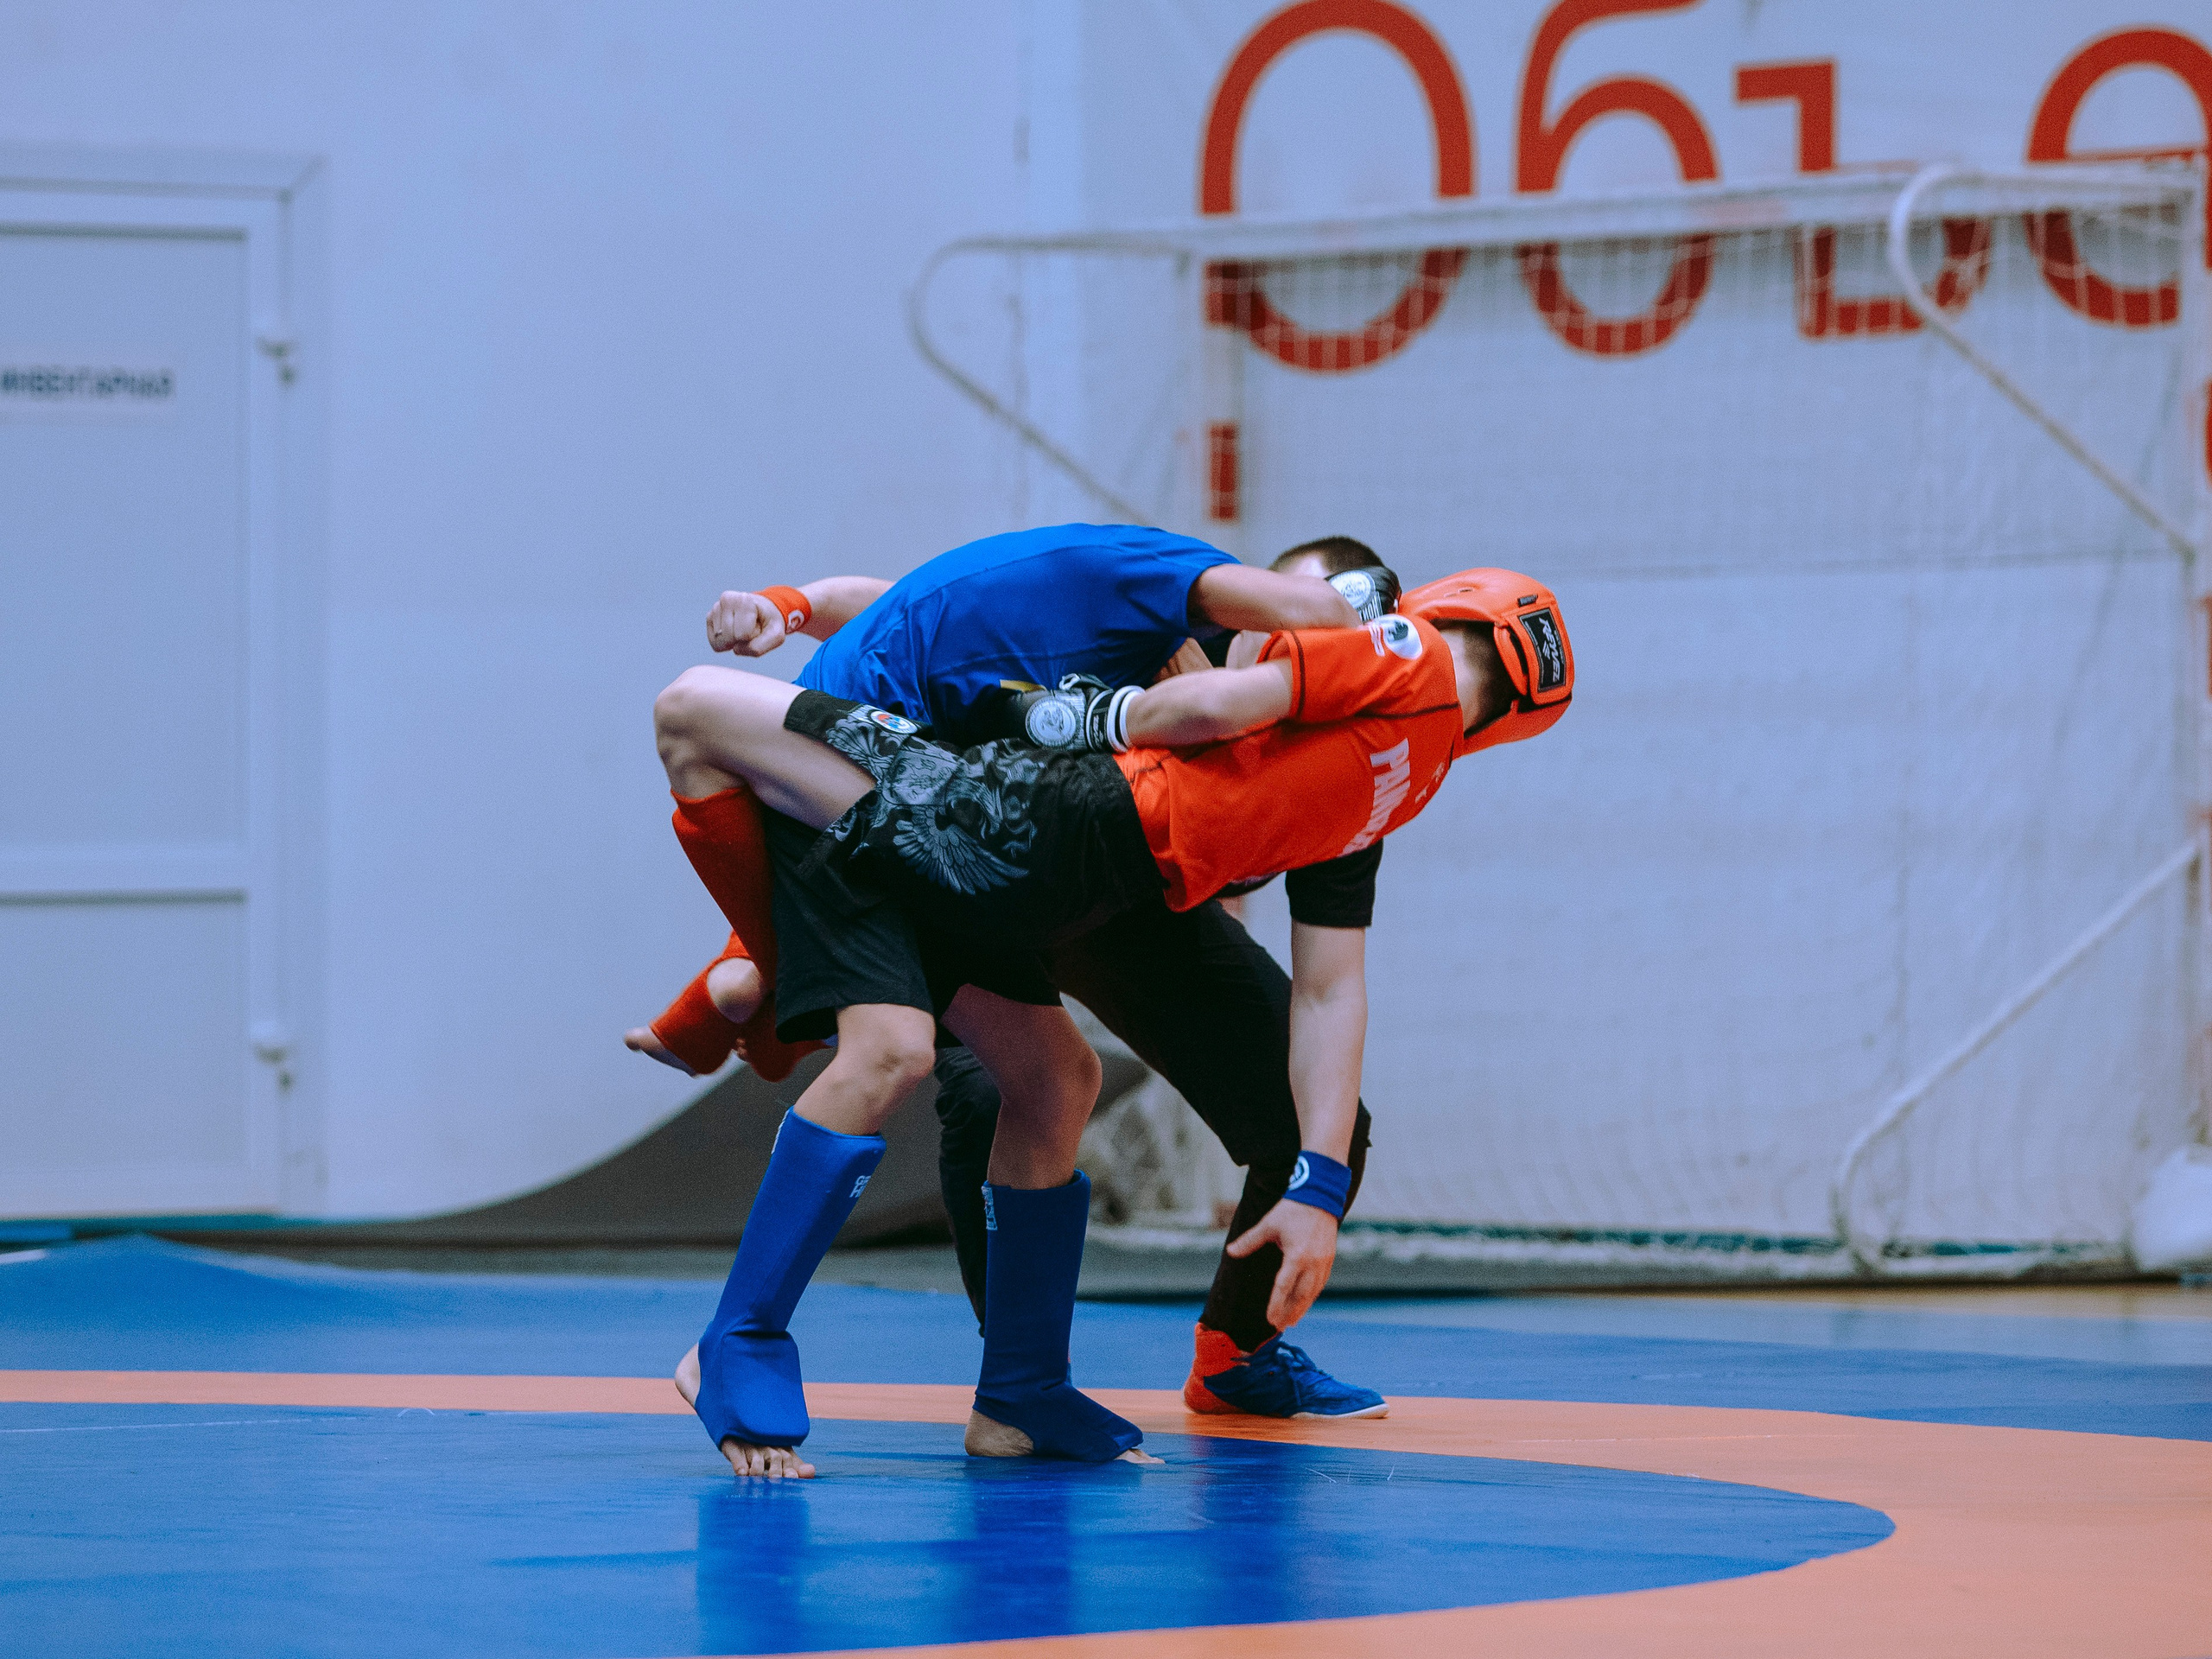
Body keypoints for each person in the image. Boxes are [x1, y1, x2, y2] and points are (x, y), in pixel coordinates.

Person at [654, 563, 1574, 1477]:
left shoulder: (1384, 659)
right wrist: (1319, 1189)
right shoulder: (1406, 780)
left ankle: (947, 1365)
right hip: (1047, 868)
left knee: (699, 710)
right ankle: (986, 1376)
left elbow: (1201, 710)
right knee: (1022, 1073)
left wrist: (1092, 719)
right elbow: (1336, 989)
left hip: (1039, 834)